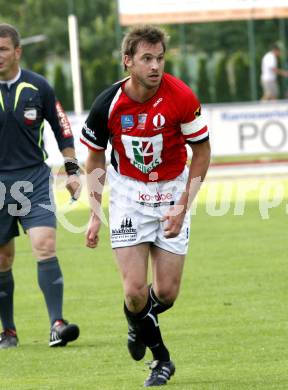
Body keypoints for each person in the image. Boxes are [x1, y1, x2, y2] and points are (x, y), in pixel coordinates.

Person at [81, 25, 210, 387]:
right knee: (134, 291)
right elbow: (94, 160)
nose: (155, 66)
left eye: (160, 58)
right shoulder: (108, 103)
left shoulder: (182, 97)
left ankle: (138, 325)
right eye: (146, 59)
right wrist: (94, 214)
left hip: (171, 194)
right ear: (128, 61)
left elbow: (202, 152)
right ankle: (162, 361)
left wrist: (184, 204)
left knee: (165, 294)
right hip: (127, 197)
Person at [0, 24, 81, 349]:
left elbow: (63, 130)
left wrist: (72, 170)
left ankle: (57, 325)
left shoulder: (39, 86)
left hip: (33, 178)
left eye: (3, 49)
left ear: (18, 51)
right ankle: (8, 331)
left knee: (45, 244)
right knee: (3, 259)